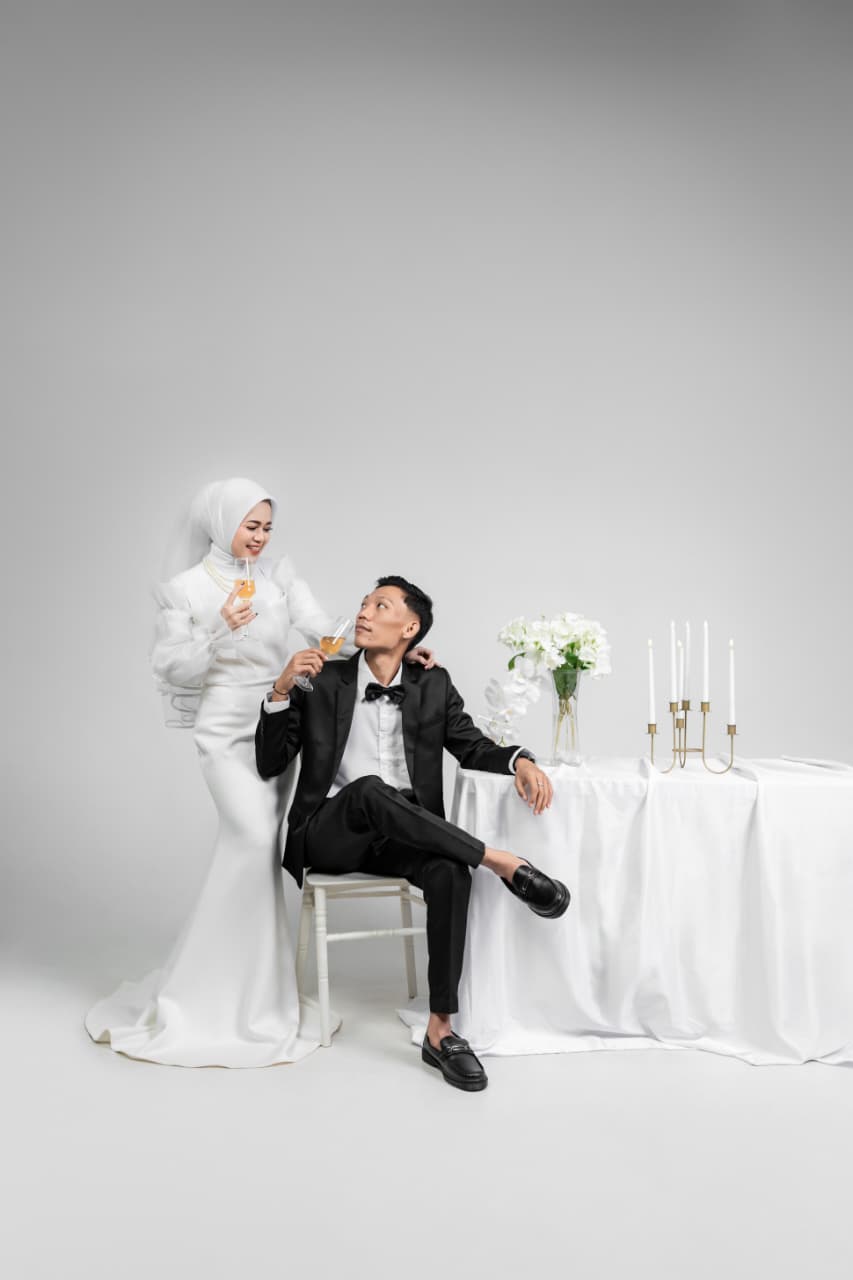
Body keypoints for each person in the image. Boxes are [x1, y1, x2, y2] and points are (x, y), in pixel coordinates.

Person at [85, 479, 433, 1067]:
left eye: (267, 526)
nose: (261, 537)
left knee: (263, 852)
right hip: (226, 728)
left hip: (280, 720)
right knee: (247, 840)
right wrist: (218, 626)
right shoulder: (185, 589)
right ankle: (207, 995)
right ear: (221, 522)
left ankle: (262, 992)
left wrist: (397, 651)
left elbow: (325, 634)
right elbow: (172, 667)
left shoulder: (278, 577)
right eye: (251, 526)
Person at [255, 575, 569, 1092]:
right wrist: (281, 690)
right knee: (370, 790)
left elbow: (471, 746)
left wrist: (521, 760)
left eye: (380, 606)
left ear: (410, 628)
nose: (363, 612)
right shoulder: (323, 679)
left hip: (403, 833)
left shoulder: (432, 684)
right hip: (331, 831)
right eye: (363, 604)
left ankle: (441, 1031)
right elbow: (270, 763)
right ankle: (501, 861)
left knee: (450, 871)